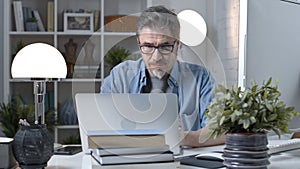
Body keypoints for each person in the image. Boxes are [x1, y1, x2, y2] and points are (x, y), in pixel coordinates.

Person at [100, 6, 225, 147]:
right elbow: (101, 127)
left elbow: (223, 129)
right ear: (138, 43)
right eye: (147, 46)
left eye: (165, 46)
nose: (156, 57)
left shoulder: (201, 78)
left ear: (177, 44)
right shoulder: (120, 76)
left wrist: (187, 138)